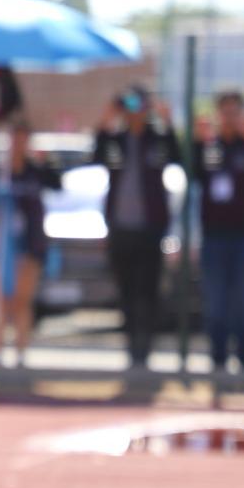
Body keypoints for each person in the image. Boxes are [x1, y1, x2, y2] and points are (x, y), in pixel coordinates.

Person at [92, 85, 181, 370]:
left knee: (148, 292)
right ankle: (132, 349)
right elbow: (95, 156)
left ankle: (145, 350)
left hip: (150, 230)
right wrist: (106, 120)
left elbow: (178, 157)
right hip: (121, 230)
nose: (135, 112)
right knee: (127, 292)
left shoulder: (156, 139)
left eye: (140, 105)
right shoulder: (116, 140)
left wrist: (166, 121)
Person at [0, 120, 62, 368]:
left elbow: (56, 184)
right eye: (13, 139)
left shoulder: (35, 171)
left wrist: (46, 161)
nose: (17, 144)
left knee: (21, 300)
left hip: (28, 247)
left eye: (22, 139)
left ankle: (20, 354)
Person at [191, 90, 244, 376]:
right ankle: (218, 358)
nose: (230, 118)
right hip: (215, 237)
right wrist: (197, 143)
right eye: (226, 112)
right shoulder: (210, 148)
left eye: (235, 112)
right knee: (216, 300)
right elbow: (194, 176)